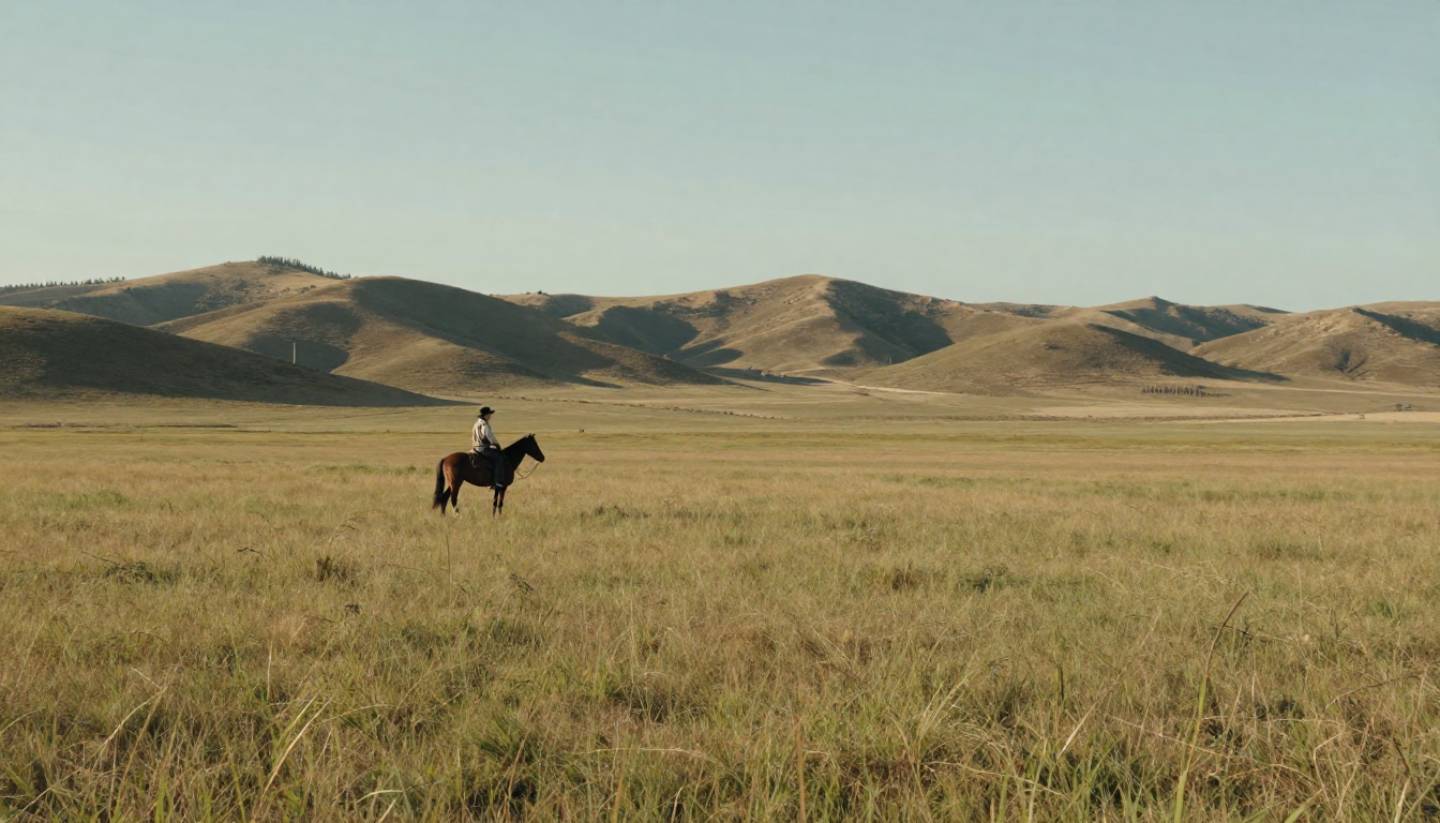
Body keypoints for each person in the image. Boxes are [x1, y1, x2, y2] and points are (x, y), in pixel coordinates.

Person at [470, 406, 508, 487]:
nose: (490, 416)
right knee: (499, 459)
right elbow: (489, 436)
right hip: (483, 449)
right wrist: (497, 445)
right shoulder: (484, 425)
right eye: (489, 414)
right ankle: (497, 482)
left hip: (474, 448)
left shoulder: (476, 424)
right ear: (486, 415)